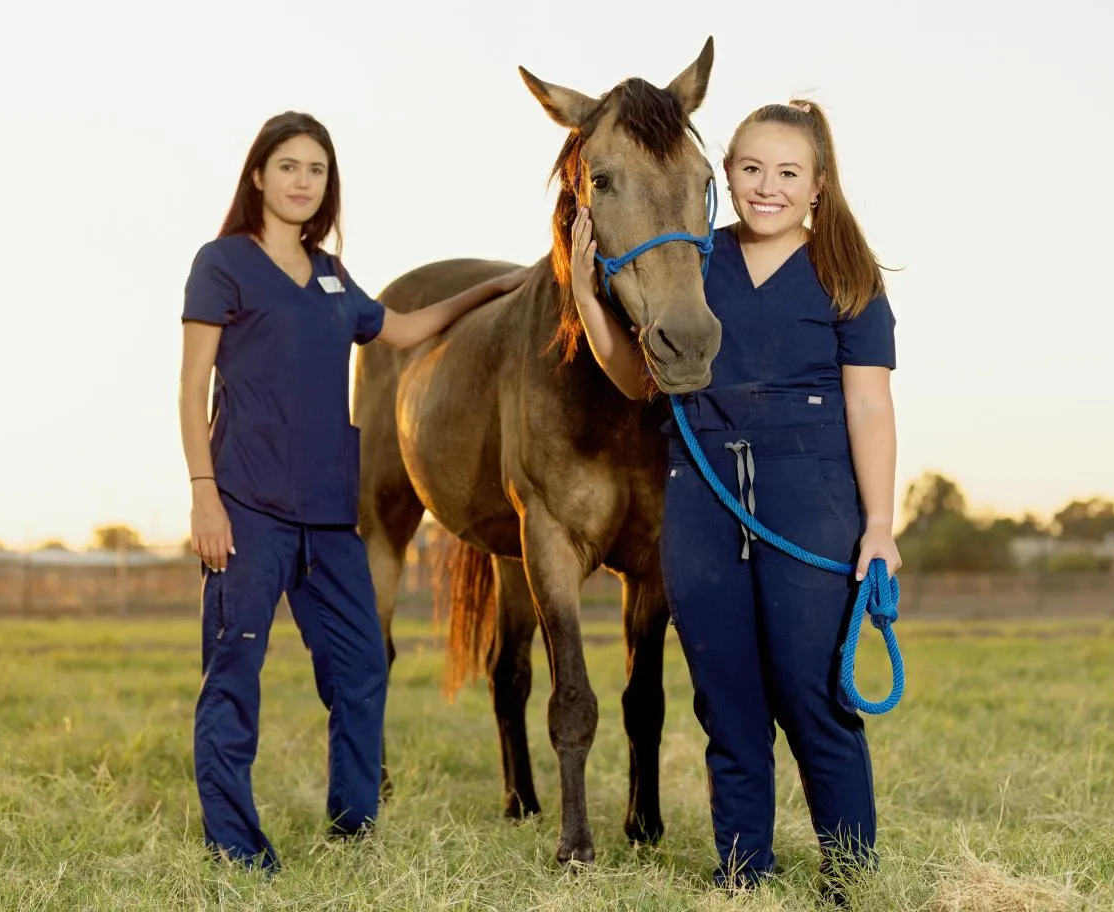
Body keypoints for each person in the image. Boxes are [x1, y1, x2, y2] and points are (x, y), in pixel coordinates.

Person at [569, 99, 901, 902]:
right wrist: (586, 294)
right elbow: (638, 383)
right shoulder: (693, 261)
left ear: (817, 187)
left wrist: (880, 528)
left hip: (809, 498)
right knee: (725, 698)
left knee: (814, 695)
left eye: (788, 173)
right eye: (750, 168)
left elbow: (870, 408)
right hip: (702, 495)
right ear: (725, 175)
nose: (766, 187)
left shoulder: (848, 278)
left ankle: (850, 878)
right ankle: (744, 874)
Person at [178, 110, 527, 871]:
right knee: (234, 673)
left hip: (330, 519)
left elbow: (399, 330)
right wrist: (204, 492)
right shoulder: (222, 264)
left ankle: (353, 826)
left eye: (317, 170)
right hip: (246, 509)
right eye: (289, 166)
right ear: (257, 175)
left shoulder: (331, 273)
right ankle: (236, 849)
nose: (303, 181)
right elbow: (191, 384)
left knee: (362, 668)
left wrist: (493, 289)